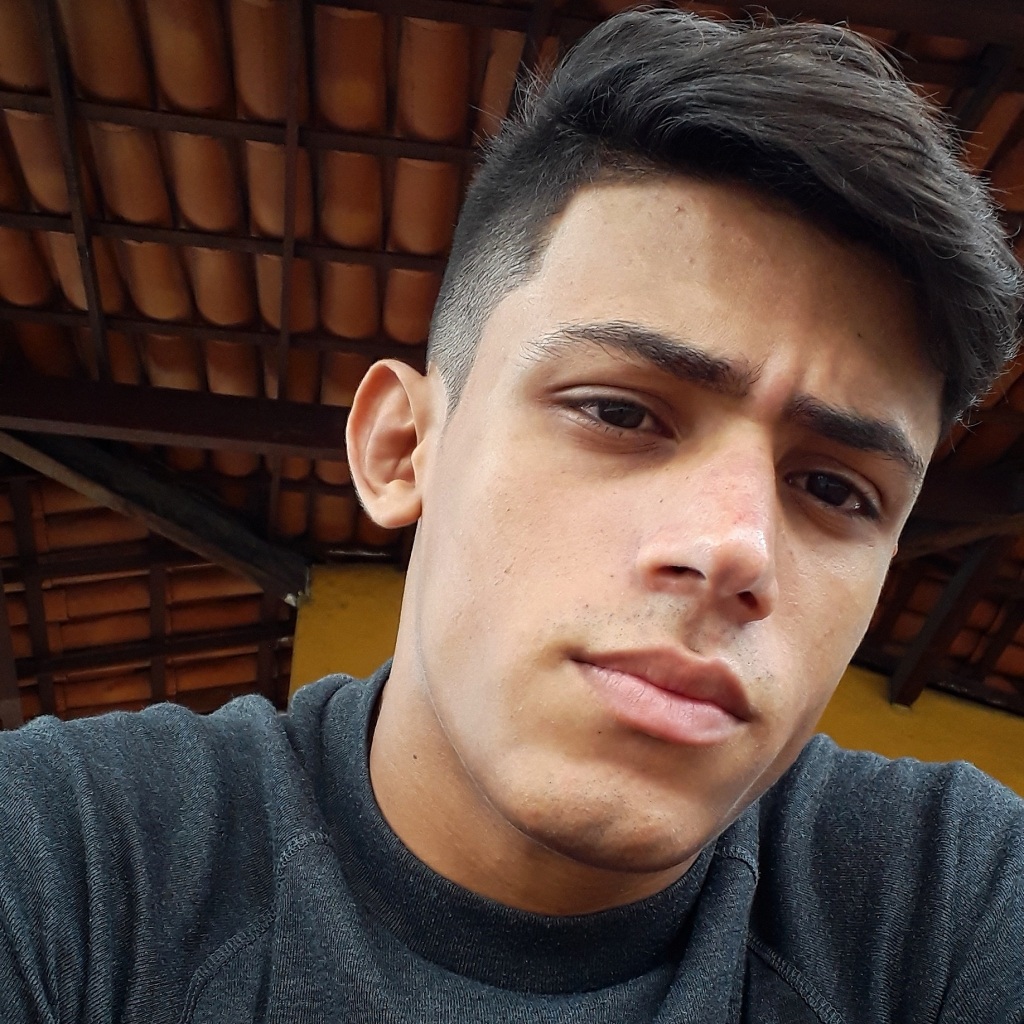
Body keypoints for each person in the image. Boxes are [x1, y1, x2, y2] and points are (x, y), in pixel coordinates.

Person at [1, 8, 1022, 1022]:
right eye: (619, 412)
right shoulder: (68, 861)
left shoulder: (951, 901)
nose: (734, 547)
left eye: (837, 490)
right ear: (402, 448)